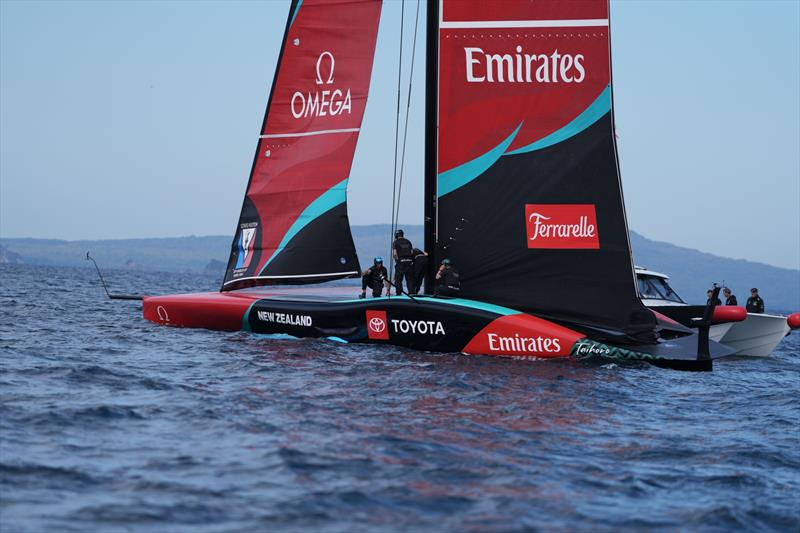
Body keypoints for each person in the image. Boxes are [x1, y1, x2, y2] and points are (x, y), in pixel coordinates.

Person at [392, 229, 415, 295]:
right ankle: (411, 293)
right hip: (409, 262)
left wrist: (397, 261)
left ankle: (399, 293)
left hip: (401, 262)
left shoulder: (395, 242)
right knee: (409, 279)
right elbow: (412, 252)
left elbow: (395, 254)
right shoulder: (408, 241)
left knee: (398, 279)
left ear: (396, 235)